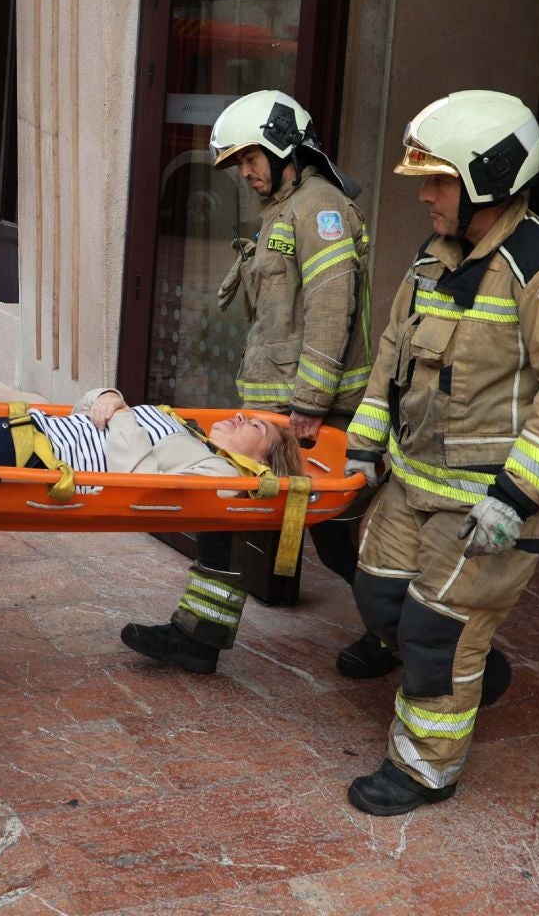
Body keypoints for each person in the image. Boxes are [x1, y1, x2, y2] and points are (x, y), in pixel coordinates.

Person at [336, 90, 539, 816]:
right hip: (411, 483)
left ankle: (426, 769)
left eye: (439, 181)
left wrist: (517, 498)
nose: (426, 196)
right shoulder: (434, 259)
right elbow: (393, 353)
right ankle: (478, 669)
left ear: (488, 178)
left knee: (436, 632)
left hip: (485, 503)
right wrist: (363, 447)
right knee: (378, 596)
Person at [121, 90, 373, 674]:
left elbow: (332, 312)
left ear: (286, 147)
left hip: (309, 415)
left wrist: (309, 404)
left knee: (338, 538)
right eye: (237, 163)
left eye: (251, 158)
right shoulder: (285, 208)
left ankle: (398, 634)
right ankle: (197, 636)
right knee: (221, 512)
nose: (245, 172)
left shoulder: (321, 210)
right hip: (271, 407)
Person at [0, 389, 303, 483]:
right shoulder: (188, 429)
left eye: (256, 427)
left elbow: (138, 481)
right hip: (15, 426)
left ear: (260, 461)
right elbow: (87, 410)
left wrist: (120, 412)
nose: (242, 417)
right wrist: (107, 394)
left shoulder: (217, 473)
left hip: (23, 455)